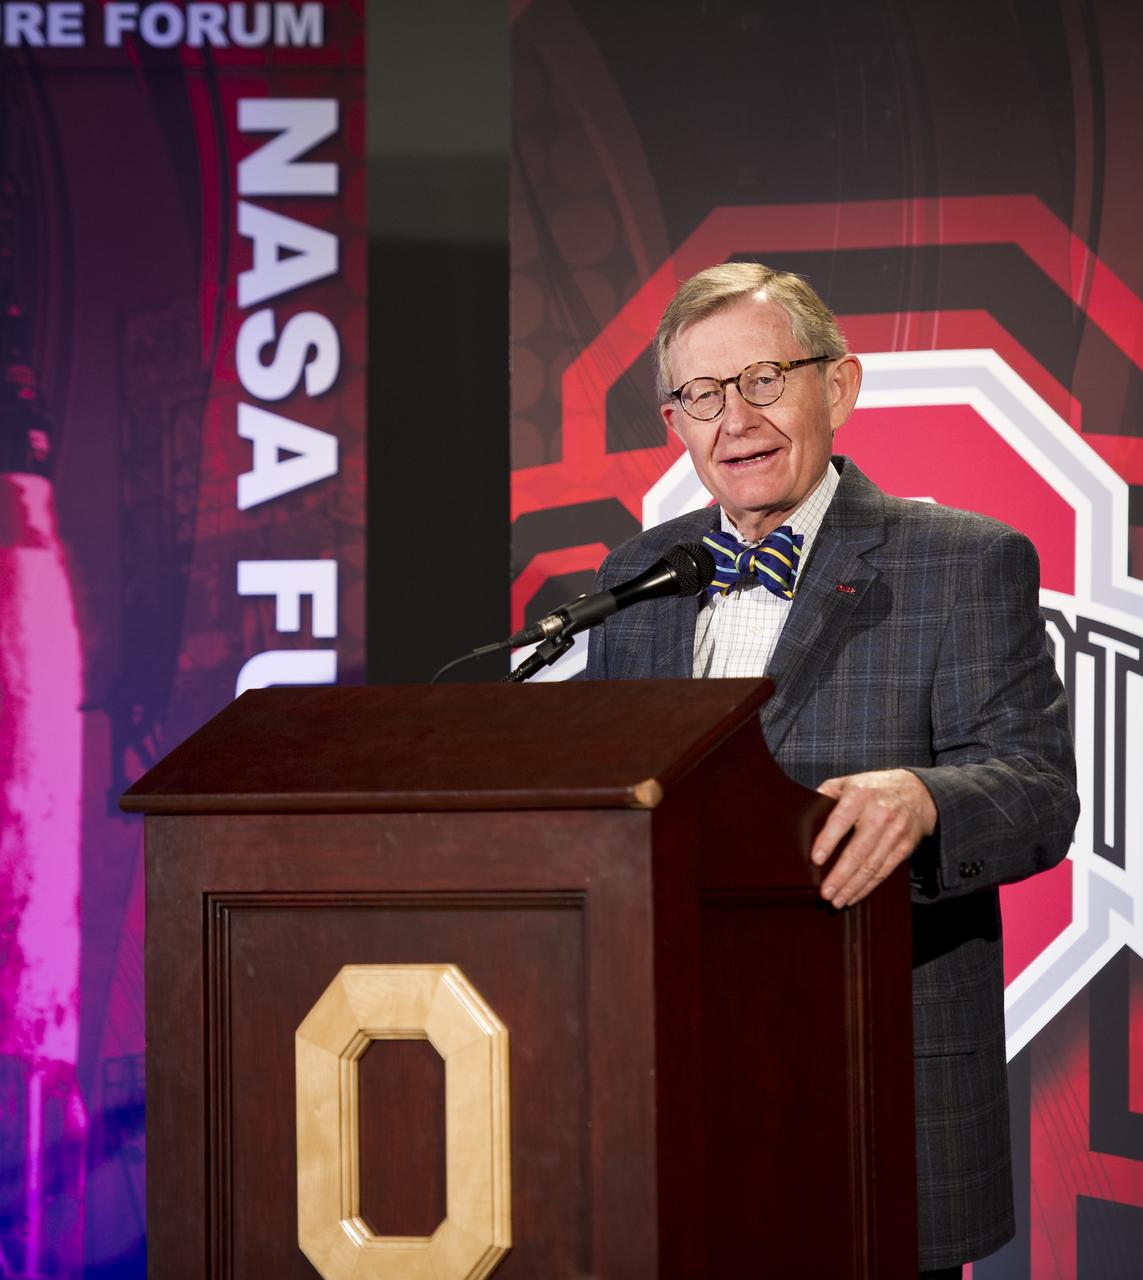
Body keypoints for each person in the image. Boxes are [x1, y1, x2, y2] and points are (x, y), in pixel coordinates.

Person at [584, 261, 1079, 1278]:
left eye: (763, 379)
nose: (736, 419)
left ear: (838, 387)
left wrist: (925, 797)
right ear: (674, 422)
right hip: (674, 1086)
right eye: (702, 396)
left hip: (875, 1086)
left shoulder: (965, 560)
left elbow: (1039, 789)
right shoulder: (633, 577)